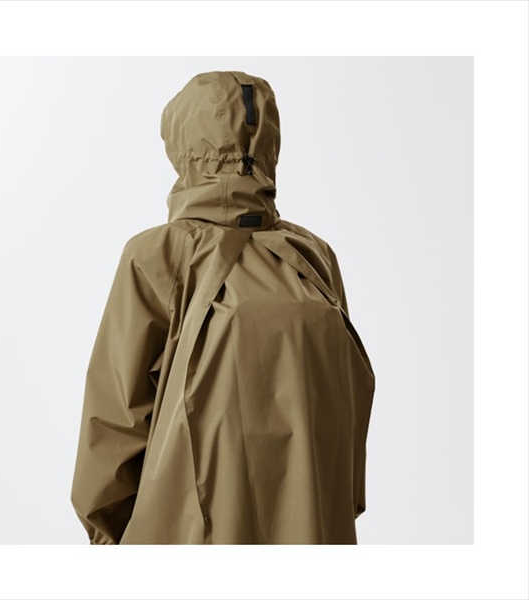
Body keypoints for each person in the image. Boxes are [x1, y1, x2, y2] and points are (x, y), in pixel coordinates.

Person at [70, 70, 376, 544]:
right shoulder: (313, 257)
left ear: (180, 143)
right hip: (312, 525)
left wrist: (110, 539)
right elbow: (351, 413)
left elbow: (114, 422)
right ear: (270, 141)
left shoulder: (159, 256)